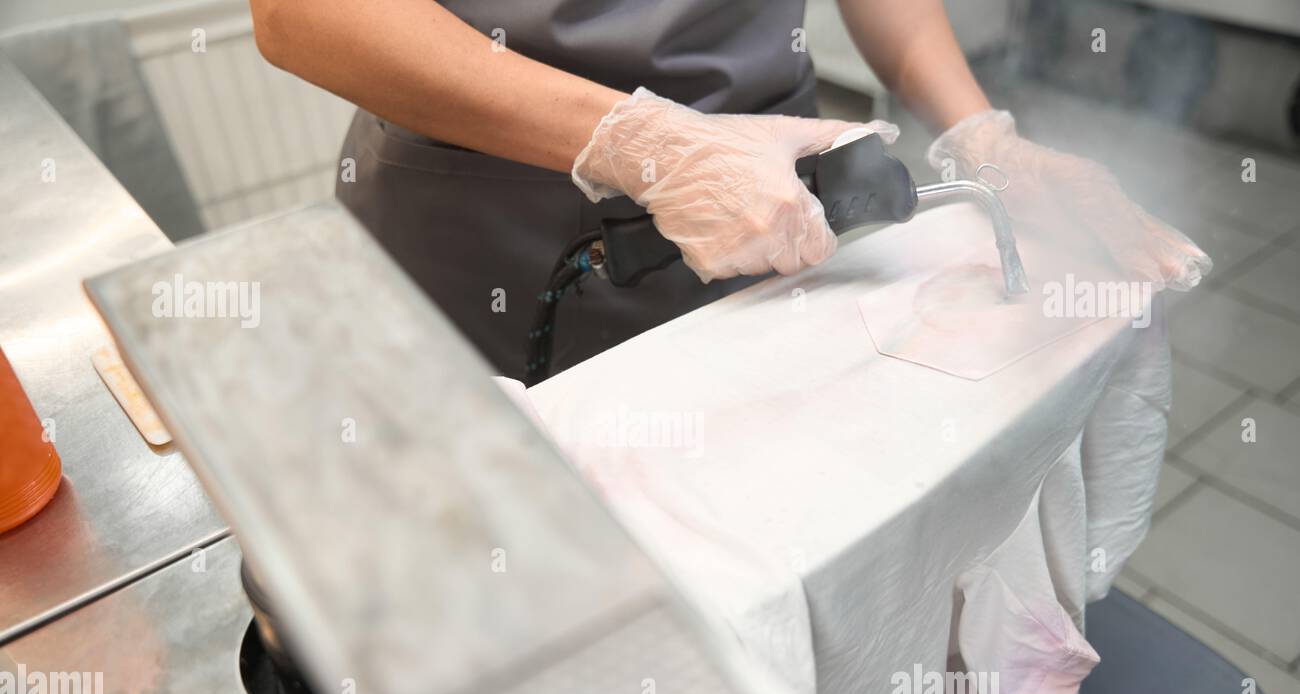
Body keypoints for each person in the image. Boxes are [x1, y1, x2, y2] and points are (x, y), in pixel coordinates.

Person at [251, 0, 1210, 377]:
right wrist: (639, 141)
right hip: (486, 218)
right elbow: (304, 13)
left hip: (776, 211)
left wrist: (978, 132)